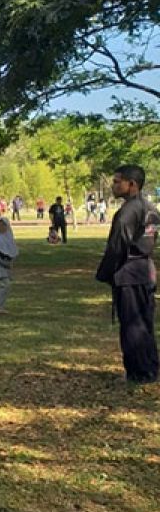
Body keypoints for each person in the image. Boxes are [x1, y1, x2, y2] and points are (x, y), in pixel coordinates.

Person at [96, 165, 160, 384]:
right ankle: (149, 369)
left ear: (131, 184)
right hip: (145, 271)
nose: (113, 185)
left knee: (133, 325)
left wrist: (105, 273)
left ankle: (139, 373)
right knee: (144, 322)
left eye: (117, 181)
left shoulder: (127, 212)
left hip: (129, 272)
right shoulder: (150, 208)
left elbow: (117, 247)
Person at [0, 217, 18, 315]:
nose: (1, 227)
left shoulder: (9, 237)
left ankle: (0, 304)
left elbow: (13, 251)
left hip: (7, 264)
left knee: (6, 285)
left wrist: (10, 262)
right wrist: (2, 262)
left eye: (4, 225)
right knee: (5, 284)